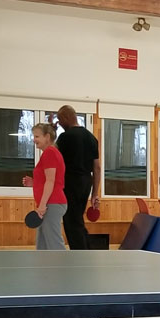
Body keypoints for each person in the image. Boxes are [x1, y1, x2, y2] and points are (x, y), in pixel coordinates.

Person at [55, 105, 100, 250]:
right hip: (86, 182)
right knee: (77, 219)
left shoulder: (65, 137)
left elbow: (51, 154)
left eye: (60, 120)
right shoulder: (91, 138)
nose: (60, 123)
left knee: (71, 221)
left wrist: (51, 133)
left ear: (67, 118)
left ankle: (81, 255)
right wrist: (95, 193)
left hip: (70, 181)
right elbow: (97, 167)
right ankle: (86, 251)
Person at [22, 123, 67, 250]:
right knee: (42, 244)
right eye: (34, 136)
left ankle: (63, 269)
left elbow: (51, 181)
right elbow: (48, 179)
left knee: (54, 243)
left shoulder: (50, 153)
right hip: (49, 203)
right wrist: (34, 182)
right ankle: (43, 269)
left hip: (51, 203)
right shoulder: (49, 153)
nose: (34, 139)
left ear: (47, 137)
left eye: (37, 136)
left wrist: (42, 206)